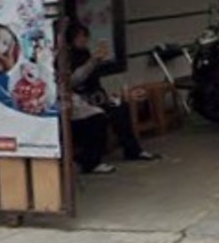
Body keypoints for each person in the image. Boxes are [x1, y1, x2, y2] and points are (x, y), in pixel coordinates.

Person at [67, 22, 159, 165]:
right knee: (97, 117)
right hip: (80, 100)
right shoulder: (68, 57)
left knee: (120, 108)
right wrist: (93, 61)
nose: (83, 40)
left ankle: (133, 150)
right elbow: (75, 80)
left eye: (85, 37)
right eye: (80, 37)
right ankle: (91, 159)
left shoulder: (86, 53)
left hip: (96, 96)